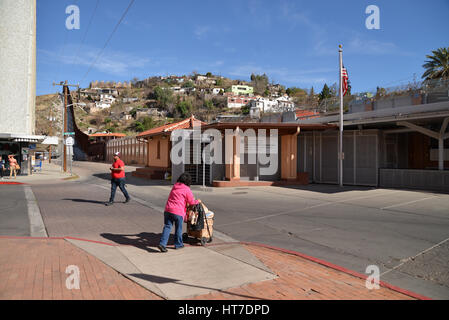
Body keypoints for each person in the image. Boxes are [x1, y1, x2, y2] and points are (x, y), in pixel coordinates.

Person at [158, 172, 201, 252]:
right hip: (178, 212)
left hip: (168, 210)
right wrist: (197, 201)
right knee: (178, 228)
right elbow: (191, 202)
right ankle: (178, 244)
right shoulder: (186, 189)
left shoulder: (175, 186)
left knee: (167, 226)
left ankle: (162, 244)